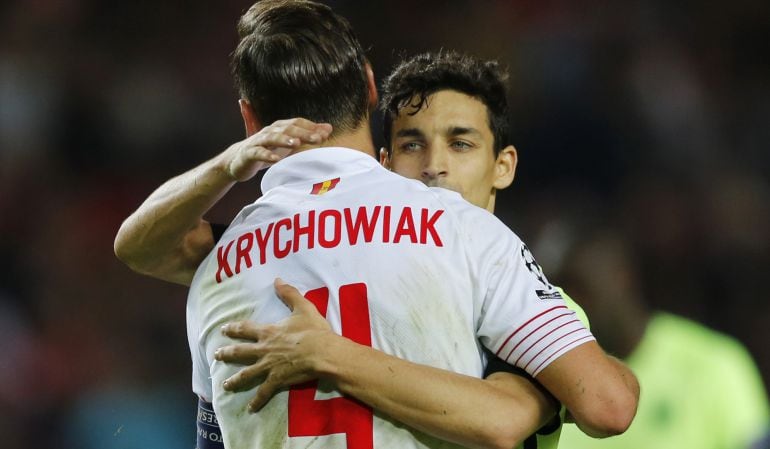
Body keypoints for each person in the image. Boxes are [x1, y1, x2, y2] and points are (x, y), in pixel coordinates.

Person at [114, 2, 638, 448]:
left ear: (250, 118)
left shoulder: (218, 268)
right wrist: (538, 396)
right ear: (369, 85)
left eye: (460, 143)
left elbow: (137, 247)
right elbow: (607, 406)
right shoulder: (463, 231)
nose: (436, 165)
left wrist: (230, 164)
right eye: (415, 143)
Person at [553, 227, 769, 449]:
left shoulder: (715, 363)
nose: (571, 305)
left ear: (621, 277)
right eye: (561, 293)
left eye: (581, 289)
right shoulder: (555, 385)